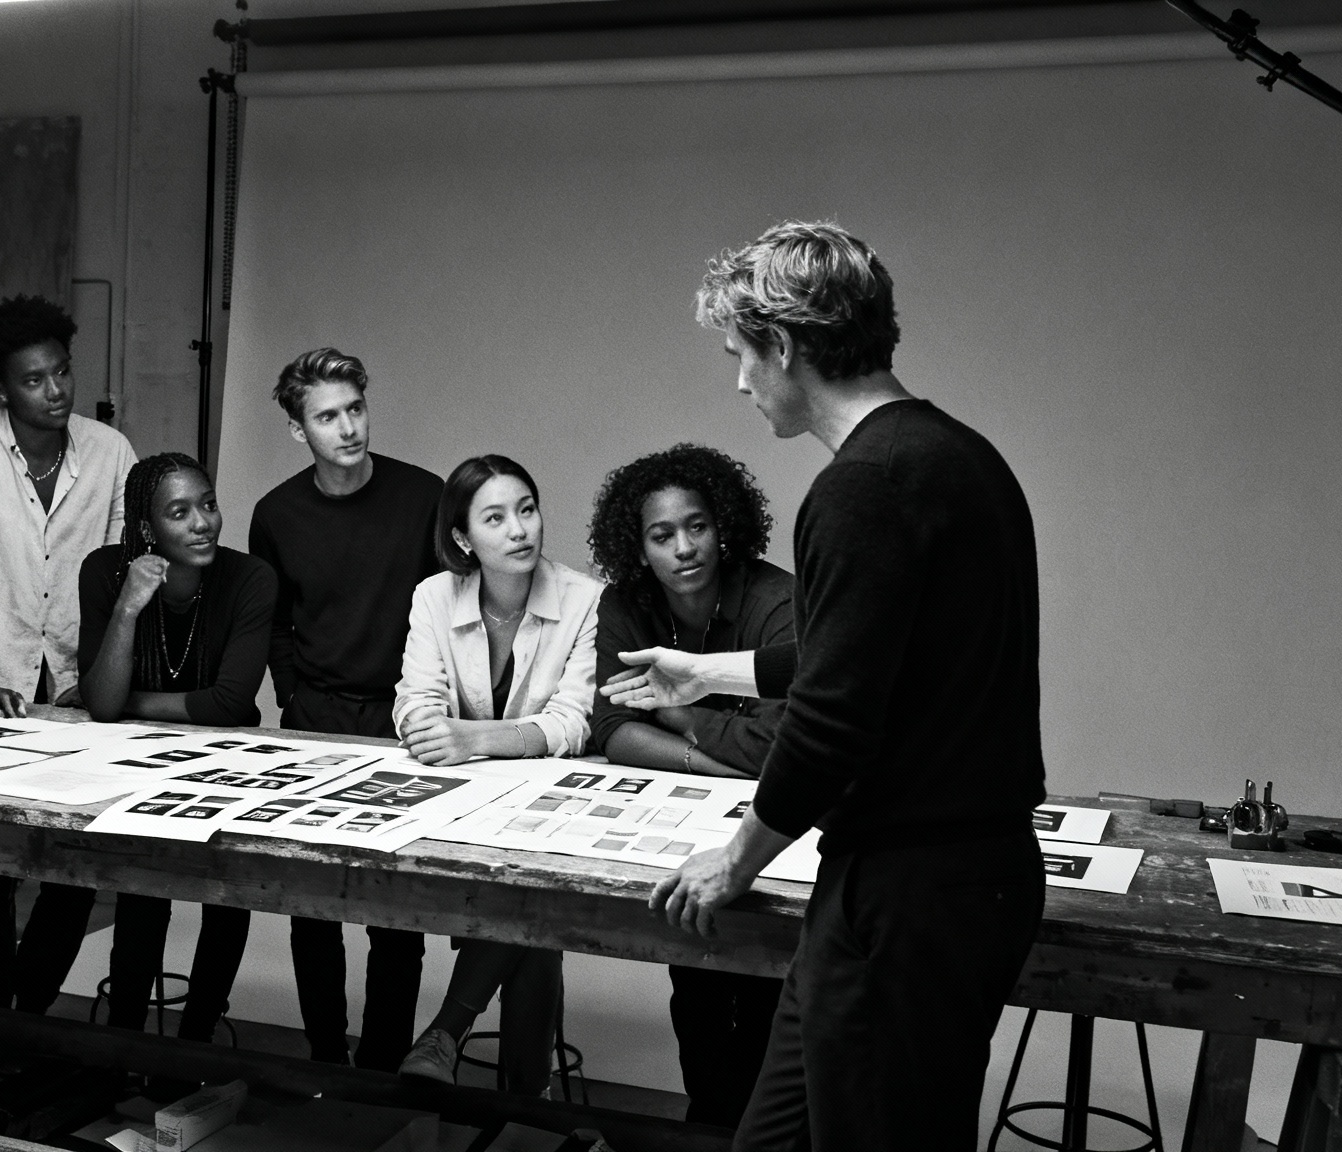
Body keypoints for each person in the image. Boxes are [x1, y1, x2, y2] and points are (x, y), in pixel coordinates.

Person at [607, 221, 1046, 1148]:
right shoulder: (954, 454)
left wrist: (736, 862)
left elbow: (832, 720)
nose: (740, 382)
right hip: (941, 880)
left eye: (740, 354)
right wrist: (705, 671)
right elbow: (863, 651)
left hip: (909, 892)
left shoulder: (862, 487)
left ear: (784, 344)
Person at [5, 452, 275, 1047]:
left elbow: (229, 704)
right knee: (79, 872)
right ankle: (51, 1030)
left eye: (208, 505)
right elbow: (103, 707)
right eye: (180, 513)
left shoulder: (250, 579)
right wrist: (129, 605)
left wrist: (124, 699)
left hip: (224, 764)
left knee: (228, 892)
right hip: (123, 761)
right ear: (148, 529)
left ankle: (194, 1042)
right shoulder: (106, 570)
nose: (203, 522)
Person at [0, 293, 137, 1009]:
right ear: (0, 388)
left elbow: (118, 572)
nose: (55, 391)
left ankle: (33, 1009)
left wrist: (100, 679)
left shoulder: (111, 451)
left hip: (82, 678)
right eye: (33, 380)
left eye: (62, 372)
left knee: (77, 857)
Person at [248, 348, 444, 1071]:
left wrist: (430, 707)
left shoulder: (424, 496)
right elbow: (275, 619)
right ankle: (326, 1056)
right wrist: (292, 694)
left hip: (404, 719)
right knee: (314, 905)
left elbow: (450, 609)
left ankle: (384, 1065)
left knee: (397, 911)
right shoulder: (276, 514)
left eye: (355, 408)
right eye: (327, 416)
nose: (348, 428)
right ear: (298, 430)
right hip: (316, 719)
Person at [585, 443, 791, 1128]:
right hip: (681, 828)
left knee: (762, 990)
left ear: (722, 526)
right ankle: (708, 1129)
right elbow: (612, 727)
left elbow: (781, 747)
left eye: (696, 526)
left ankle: (750, 1134)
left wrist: (676, 714)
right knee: (694, 974)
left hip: (775, 836)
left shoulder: (777, 602)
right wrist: (711, 760)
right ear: (638, 547)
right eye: (662, 534)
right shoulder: (627, 603)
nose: (683, 548)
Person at [392, 456, 602, 1097]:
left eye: (527, 510)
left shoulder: (587, 599)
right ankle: (527, 1105)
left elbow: (573, 723)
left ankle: (446, 1035)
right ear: (462, 538)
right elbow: (415, 698)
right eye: (495, 518)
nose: (519, 529)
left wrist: (470, 738)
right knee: (535, 920)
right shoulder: (434, 596)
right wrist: (426, 728)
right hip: (460, 804)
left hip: (552, 806)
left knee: (530, 893)